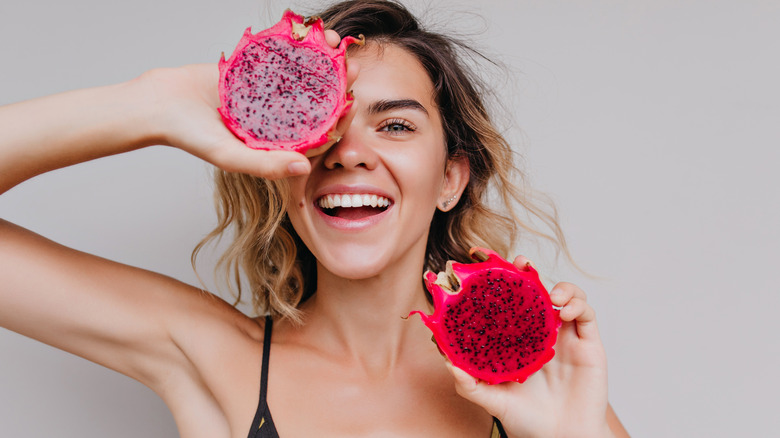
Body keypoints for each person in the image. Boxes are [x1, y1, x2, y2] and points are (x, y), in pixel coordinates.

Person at [0, 0, 629, 437]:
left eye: (396, 125)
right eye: (321, 125)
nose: (350, 152)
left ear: (449, 179)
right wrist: (150, 104)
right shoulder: (213, 357)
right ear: (277, 168)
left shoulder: (530, 385)